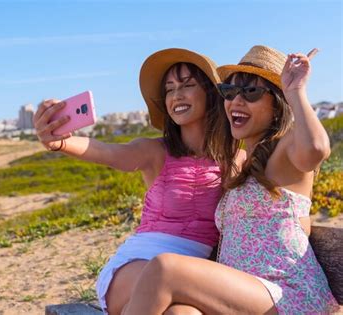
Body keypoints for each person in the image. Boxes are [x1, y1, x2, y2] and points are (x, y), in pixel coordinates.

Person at [123, 45, 339, 314]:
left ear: (276, 105)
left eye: (251, 92)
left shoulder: (285, 151)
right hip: (244, 295)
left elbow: (317, 149)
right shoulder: (240, 164)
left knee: (164, 268)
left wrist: (295, 92)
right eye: (230, 92)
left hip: (286, 295)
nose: (237, 101)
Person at [34, 48, 236, 315]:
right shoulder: (154, 151)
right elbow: (108, 151)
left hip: (189, 277)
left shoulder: (234, 160)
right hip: (139, 266)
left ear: (211, 95)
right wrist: (60, 141)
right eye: (169, 89)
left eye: (187, 85)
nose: (177, 95)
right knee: (166, 276)